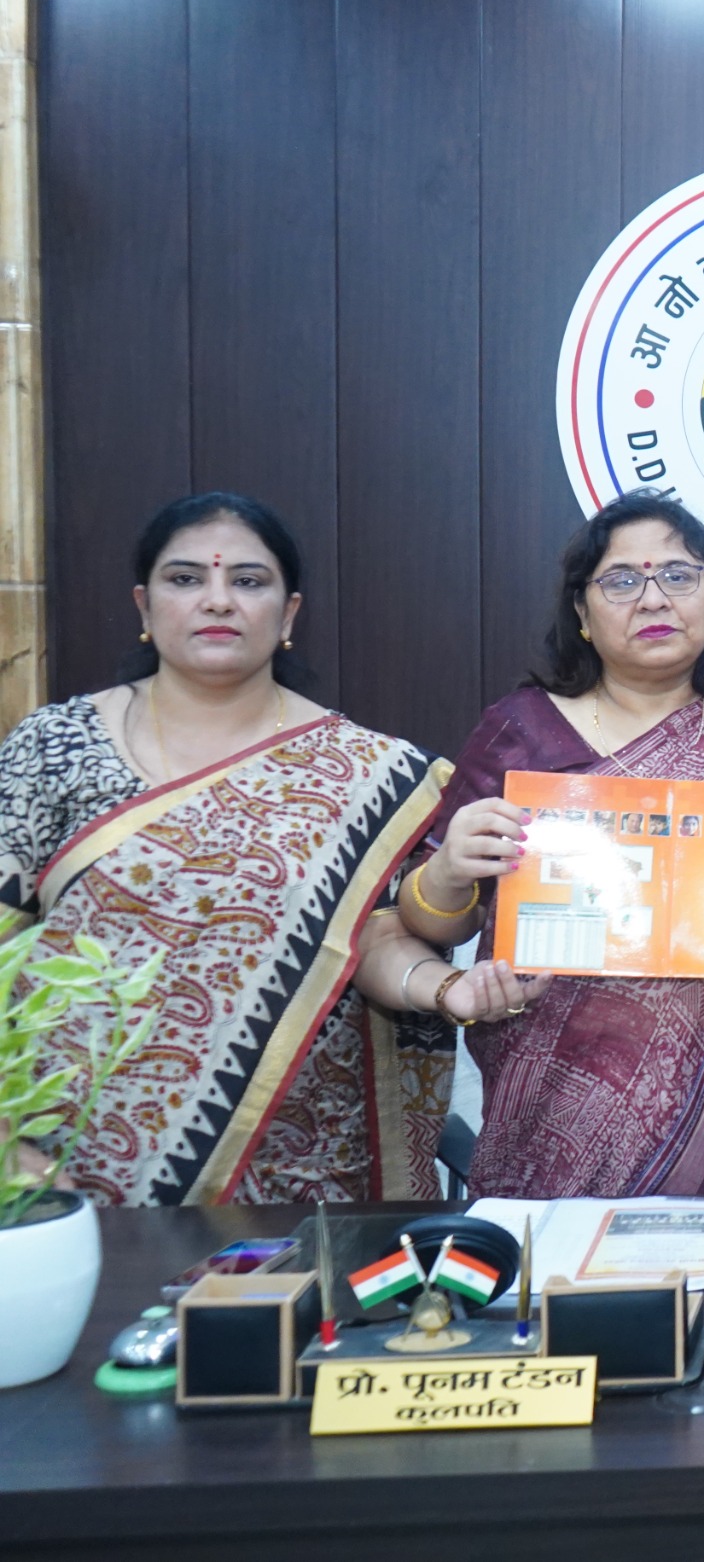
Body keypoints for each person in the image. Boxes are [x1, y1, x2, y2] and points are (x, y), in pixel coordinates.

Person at [0, 493, 522, 1206]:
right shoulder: (53, 748)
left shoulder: (370, 771)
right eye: (186, 579)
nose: (218, 600)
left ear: (289, 614)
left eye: (247, 580)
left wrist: (445, 988)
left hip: (301, 1180)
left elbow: (376, 937)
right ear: (144, 605)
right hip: (64, 1167)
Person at [375, 489, 704, 1199]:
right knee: (560, 1268)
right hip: (554, 1098)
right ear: (582, 614)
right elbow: (431, 924)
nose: (653, 599)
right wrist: (449, 874)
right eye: (621, 580)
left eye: (678, 576)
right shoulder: (522, 732)